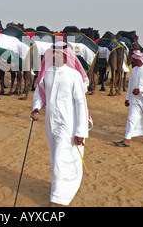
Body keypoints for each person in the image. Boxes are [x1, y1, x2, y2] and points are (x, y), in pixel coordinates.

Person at [30, 41, 92, 207]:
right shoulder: (48, 73)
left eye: (59, 53)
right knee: (55, 156)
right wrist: (36, 108)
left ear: (66, 56)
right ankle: (63, 188)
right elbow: (39, 93)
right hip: (50, 123)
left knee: (59, 159)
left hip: (68, 124)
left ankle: (56, 200)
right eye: (53, 53)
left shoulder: (74, 75)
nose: (55, 56)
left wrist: (81, 131)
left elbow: (81, 103)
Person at [114, 50, 143, 148]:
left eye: (134, 59)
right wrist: (127, 98)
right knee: (131, 118)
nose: (133, 61)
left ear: (139, 60)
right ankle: (127, 140)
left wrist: (141, 90)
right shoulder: (134, 70)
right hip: (135, 99)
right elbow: (130, 85)